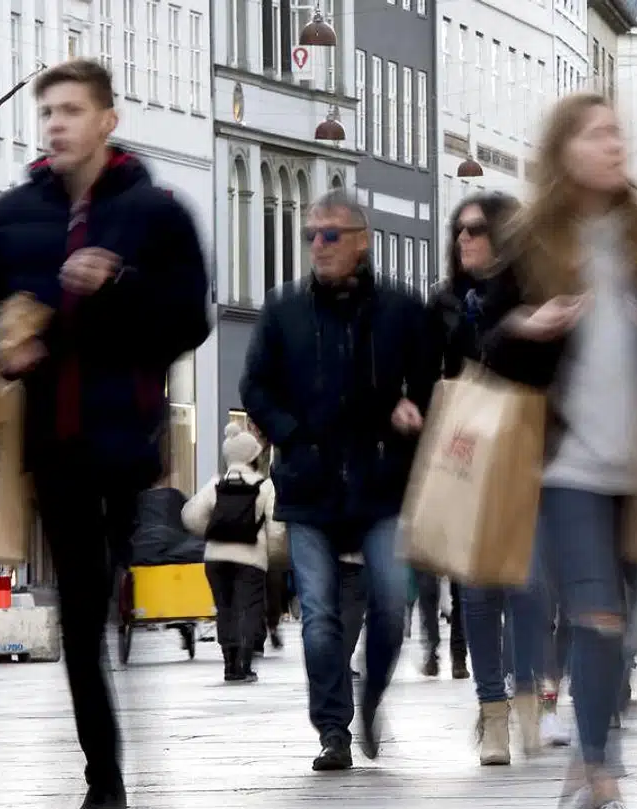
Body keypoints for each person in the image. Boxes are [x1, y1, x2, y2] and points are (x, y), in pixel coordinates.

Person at [0, 59, 210, 809]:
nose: (57, 125)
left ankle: (121, 684)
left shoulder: (157, 211)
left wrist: (122, 281)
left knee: (104, 587)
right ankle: (103, 775)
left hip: (125, 438)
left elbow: (190, 319)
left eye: (72, 110)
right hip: (51, 439)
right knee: (79, 608)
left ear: (109, 118)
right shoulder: (10, 216)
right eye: (49, 113)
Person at [479, 93, 637, 809]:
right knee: (596, 614)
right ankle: (600, 763)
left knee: (621, 619)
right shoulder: (531, 241)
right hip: (565, 462)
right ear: (565, 149)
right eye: (597, 134)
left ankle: (589, 751)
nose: (614, 145)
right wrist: (529, 324)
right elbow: (490, 347)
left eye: (619, 133)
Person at [240, 190, 437, 771]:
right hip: (309, 482)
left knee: (391, 606)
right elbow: (256, 386)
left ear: (361, 241)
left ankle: (371, 695)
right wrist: (291, 432)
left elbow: (430, 378)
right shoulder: (284, 311)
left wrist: (413, 409)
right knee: (320, 615)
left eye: (330, 235)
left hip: (381, 481)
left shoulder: (401, 310)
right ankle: (333, 729)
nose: (318, 246)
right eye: (312, 236)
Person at [429, 191, 548, 764]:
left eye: (476, 230)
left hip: (526, 454)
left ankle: (527, 699)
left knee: (525, 590)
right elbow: (432, 375)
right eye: (459, 231)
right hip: (470, 457)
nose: (464, 239)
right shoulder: (446, 304)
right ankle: (492, 713)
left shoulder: (532, 300)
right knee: (476, 592)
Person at [182, 422, 287, 683]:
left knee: (225, 609)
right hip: (250, 559)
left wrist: (215, 532)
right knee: (249, 609)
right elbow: (276, 530)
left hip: (215, 558)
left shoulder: (215, 485)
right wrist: (274, 557)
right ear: (253, 457)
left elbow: (190, 516)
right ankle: (244, 664)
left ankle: (229, 664)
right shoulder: (265, 487)